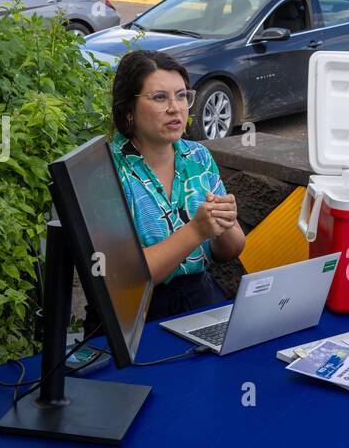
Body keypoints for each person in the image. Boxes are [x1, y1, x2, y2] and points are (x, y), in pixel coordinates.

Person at [92, 49, 246, 331]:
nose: (175, 107)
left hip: (200, 298)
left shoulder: (197, 157)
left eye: (182, 95)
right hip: (136, 317)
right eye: (159, 97)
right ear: (128, 110)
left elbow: (231, 250)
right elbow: (127, 276)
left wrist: (225, 223)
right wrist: (196, 231)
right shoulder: (106, 173)